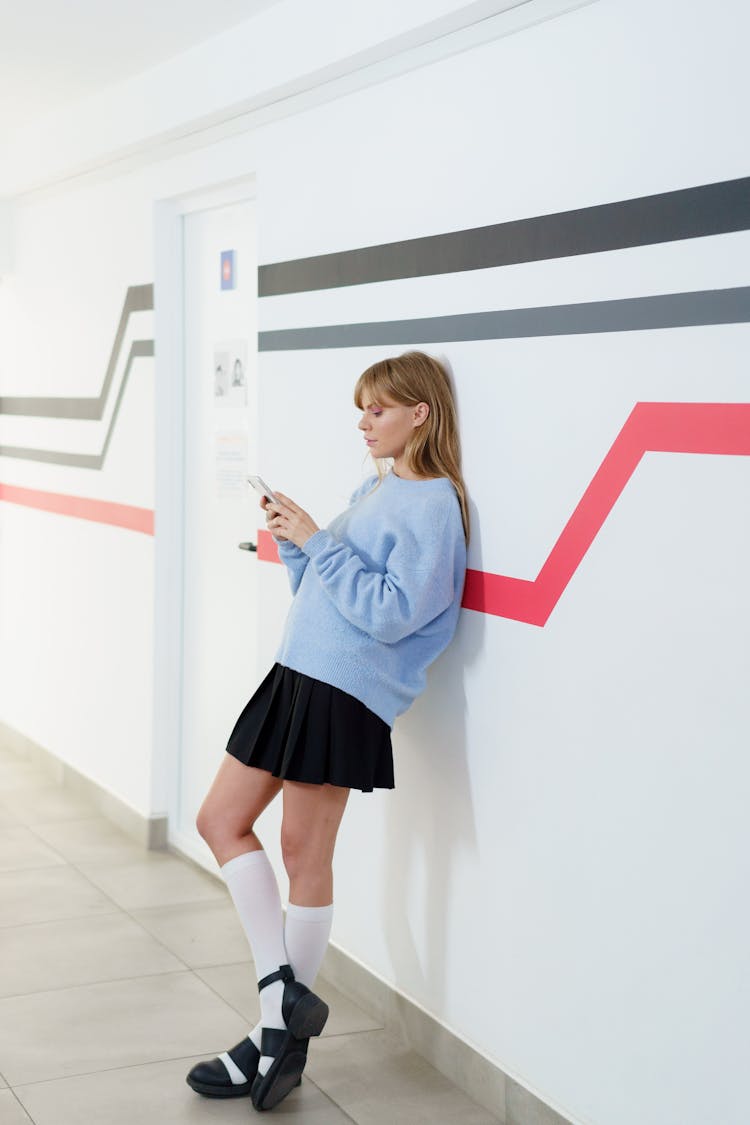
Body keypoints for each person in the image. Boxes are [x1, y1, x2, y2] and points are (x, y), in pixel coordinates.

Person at [187, 350, 470, 1112]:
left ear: (421, 412)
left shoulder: (435, 505)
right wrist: (296, 542)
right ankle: (283, 1006)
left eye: (378, 408)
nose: (363, 421)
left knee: (300, 852)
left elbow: (391, 612)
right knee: (220, 820)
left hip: (343, 692)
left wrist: (320, 535)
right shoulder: (374, 489)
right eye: (361, 408)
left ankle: (273, 1031)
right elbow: (326, 590)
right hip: (298, 671)